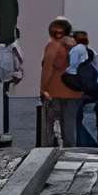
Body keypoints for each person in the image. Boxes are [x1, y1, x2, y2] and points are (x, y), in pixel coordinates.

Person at [40, 17, 80, 148]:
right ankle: (70, 148)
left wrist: (43, 89)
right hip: (74, 90)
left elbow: (47, 70)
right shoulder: (76, 46)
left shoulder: (52, 46)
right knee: (70, 122)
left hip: (55, 90)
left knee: (49, 122)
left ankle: (49, 148)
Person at [65, 29, 98, 147]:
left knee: (75, 118)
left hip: (77, 90)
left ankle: (85, 142)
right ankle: (88, 142)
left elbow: (71, 71)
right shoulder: (95, 54)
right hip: (92, 90)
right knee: (85, 118)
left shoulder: (75, 52)